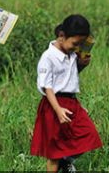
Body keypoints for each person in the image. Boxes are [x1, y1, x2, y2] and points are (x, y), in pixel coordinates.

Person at [30, 15, 102, 172]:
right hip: (54, 103)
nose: (77, 48)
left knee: (89, 134)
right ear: (61, 36)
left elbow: (70, 78)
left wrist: (81, 65)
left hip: (71, 102)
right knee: (54, 151)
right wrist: (57, 109)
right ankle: (60, 162)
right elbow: (47, 87)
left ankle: (66, 161)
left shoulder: (71, 55)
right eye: (75, 44)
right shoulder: (48, 57)